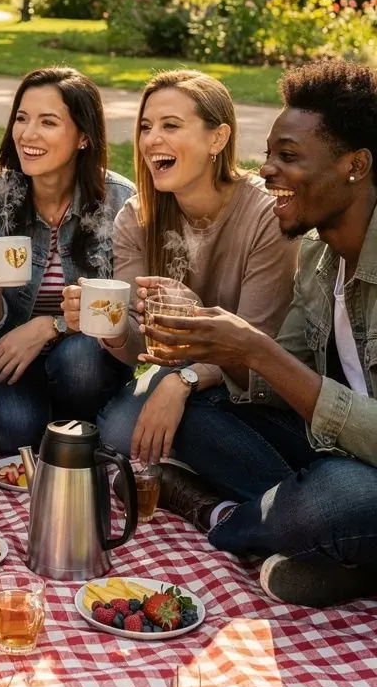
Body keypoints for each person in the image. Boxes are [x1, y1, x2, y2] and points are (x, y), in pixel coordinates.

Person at [138, 59, 377, 608]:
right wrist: (216, 350)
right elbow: (278, 374)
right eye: (269, 154)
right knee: (196, 409)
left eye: (288, 157)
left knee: (333, 496)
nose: (266, 170)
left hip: (353, 476)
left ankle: (220, 518)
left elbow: (277, 361)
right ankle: (340, 552)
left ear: (355, 165)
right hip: (336, 451)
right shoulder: (319, 254)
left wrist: (254, 348)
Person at [64, 70, 298, 465]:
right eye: (146, 126)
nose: (151, 139)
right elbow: (141, 349)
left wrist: (184, 379)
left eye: (171, 125)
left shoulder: (266, 213)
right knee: (120, 431)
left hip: (257, 374)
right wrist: (110, 324)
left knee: (165, 429)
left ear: (217, 138)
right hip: (188, 366)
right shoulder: (137, 217)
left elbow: (260, 342)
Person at [0, 67, 134, 453]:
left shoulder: (121, 203)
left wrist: (50, 325)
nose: (27, 134)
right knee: (14, 432)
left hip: (88, 354)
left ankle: (80, 425)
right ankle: (54, 423)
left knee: (80, 362)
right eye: (22, 118)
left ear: (83, 137)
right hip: (8, 352)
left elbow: (124, 311)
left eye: (48, 122)